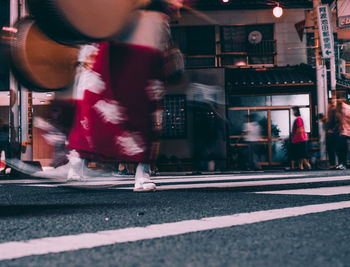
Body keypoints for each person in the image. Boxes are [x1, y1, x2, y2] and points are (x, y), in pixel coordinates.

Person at [335, 99, 350, 170]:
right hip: (344, 132)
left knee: (342, 149)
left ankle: (343, 163)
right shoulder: (343, 109)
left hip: (345, 132)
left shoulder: (345, 109)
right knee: (342, 148)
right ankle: (343, 163)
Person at [325, 99, 338, 169]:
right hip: (332, 132)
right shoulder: (332, 110)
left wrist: (332, 130)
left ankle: (333, 164)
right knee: (331, 148)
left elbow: (336, 122)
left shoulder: (333, 110)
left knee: (331, 148)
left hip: (332, 132)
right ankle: (333, 164)